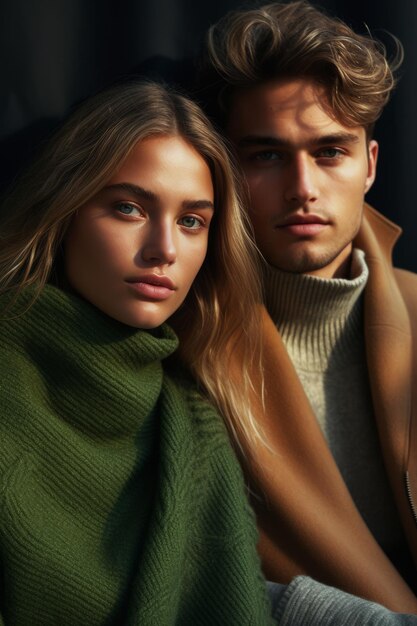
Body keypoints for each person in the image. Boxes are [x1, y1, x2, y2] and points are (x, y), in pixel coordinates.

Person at [2, 78, 417, 626]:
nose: (164, 250)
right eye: (128, 208)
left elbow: (218, 585)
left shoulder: (183, 418)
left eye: (192, 220)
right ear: (66, 205)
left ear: (370, 163)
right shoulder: (203, 362)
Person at [198, 0, 417, 615]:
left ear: (369, 166)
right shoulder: (187, 343)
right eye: (266, 155)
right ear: (226, 170)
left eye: (329, 152)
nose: (302, 189)